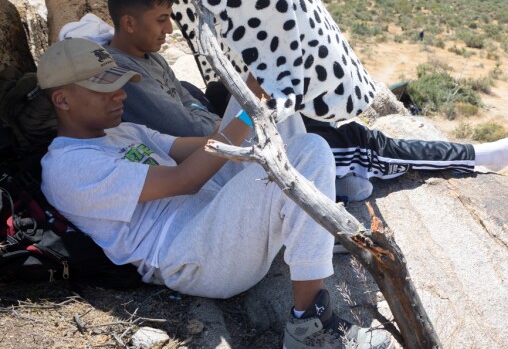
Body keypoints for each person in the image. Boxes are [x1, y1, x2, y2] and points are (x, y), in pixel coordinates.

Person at [37, 38, 390, 349]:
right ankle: (308, 326)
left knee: (275, 117)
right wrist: (252, 111)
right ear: (63, 100)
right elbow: (185, 180)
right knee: (307, 146)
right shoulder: (67, 166)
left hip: (212, 213)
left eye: (120, 84)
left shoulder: (123, 132)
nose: (121, 95)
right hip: (188, 256)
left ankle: (311, 209)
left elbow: (209, 147)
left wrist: (251, 97)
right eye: (105, 89)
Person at [87, 0, 508, 202]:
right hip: (224, 151)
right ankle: (478, 157)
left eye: (170, 18)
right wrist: (247, 111)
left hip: (219, 132)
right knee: (357, 139)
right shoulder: (130, 77)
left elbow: (187, 105)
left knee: (281, 109)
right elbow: (192, 133)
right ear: (128, 22)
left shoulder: (139, 56)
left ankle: (339, 177)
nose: (168, 30)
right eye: (160, 20)